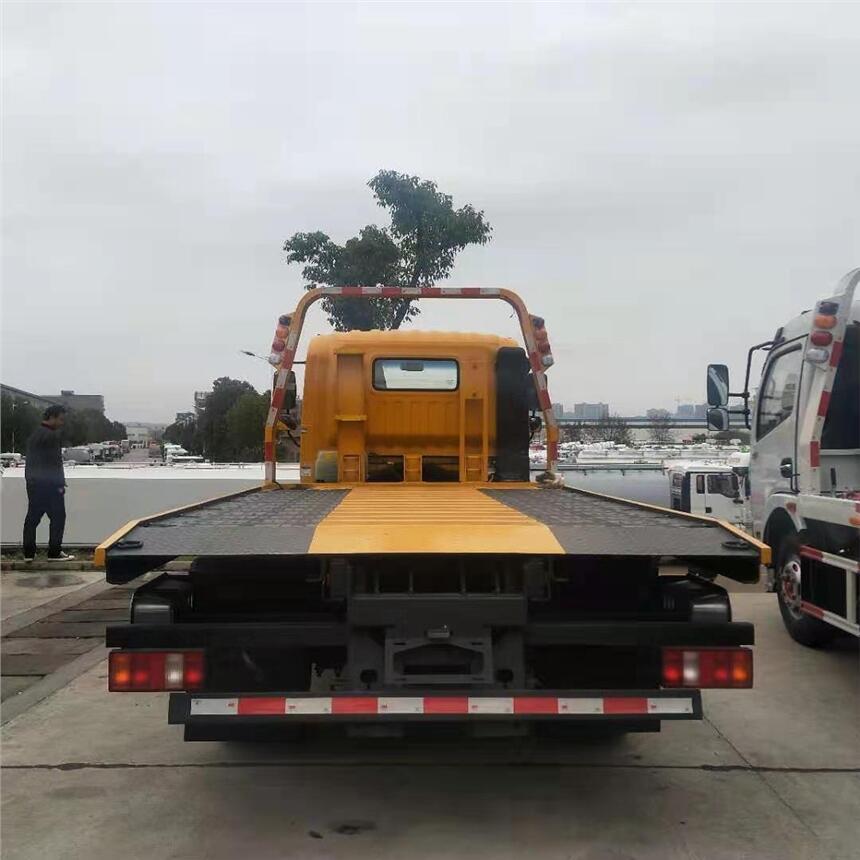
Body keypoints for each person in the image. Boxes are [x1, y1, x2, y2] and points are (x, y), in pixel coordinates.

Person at [22, 405, 75, 562]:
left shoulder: (35, 434)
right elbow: (54, 463)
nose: (62, 423)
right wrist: (60, 483)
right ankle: (54, 552)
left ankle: (28, 553)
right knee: (58, 517)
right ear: (51, 417)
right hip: (50, 485)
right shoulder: (52, 436)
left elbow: (32, 461)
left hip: (33, 483)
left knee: (32, 518)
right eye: (60, 419)